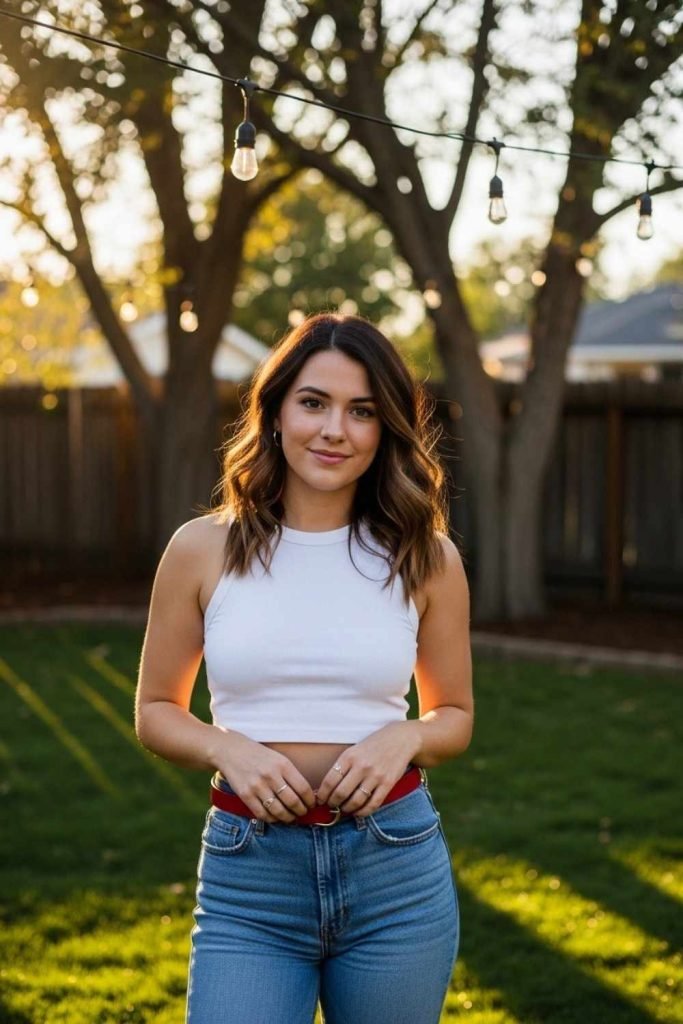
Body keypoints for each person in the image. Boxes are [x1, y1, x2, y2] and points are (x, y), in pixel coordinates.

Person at [135, 311, 473, 1024]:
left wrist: (405, 736)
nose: (333, 430)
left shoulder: (426, 556)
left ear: (385, 430)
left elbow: (455, 717)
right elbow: (156, 710)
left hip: (395, 872)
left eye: (361, 412)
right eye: (313, 402)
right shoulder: (201, 549)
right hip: (250, 876)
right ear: (276, 409)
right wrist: (225, 747)